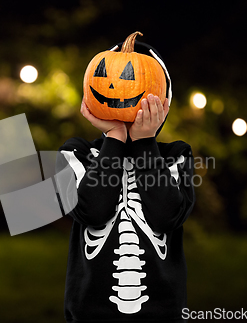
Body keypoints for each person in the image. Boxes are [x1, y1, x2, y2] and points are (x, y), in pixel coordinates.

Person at [56, 40, 196, 322]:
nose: (114, 87)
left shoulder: (176, 156)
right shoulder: (76, 153)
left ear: (163, 99)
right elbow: (92, 210)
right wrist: (116, 137)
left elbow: (166, 216)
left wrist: (144, 142)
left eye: (132, 77)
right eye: (105, 74)